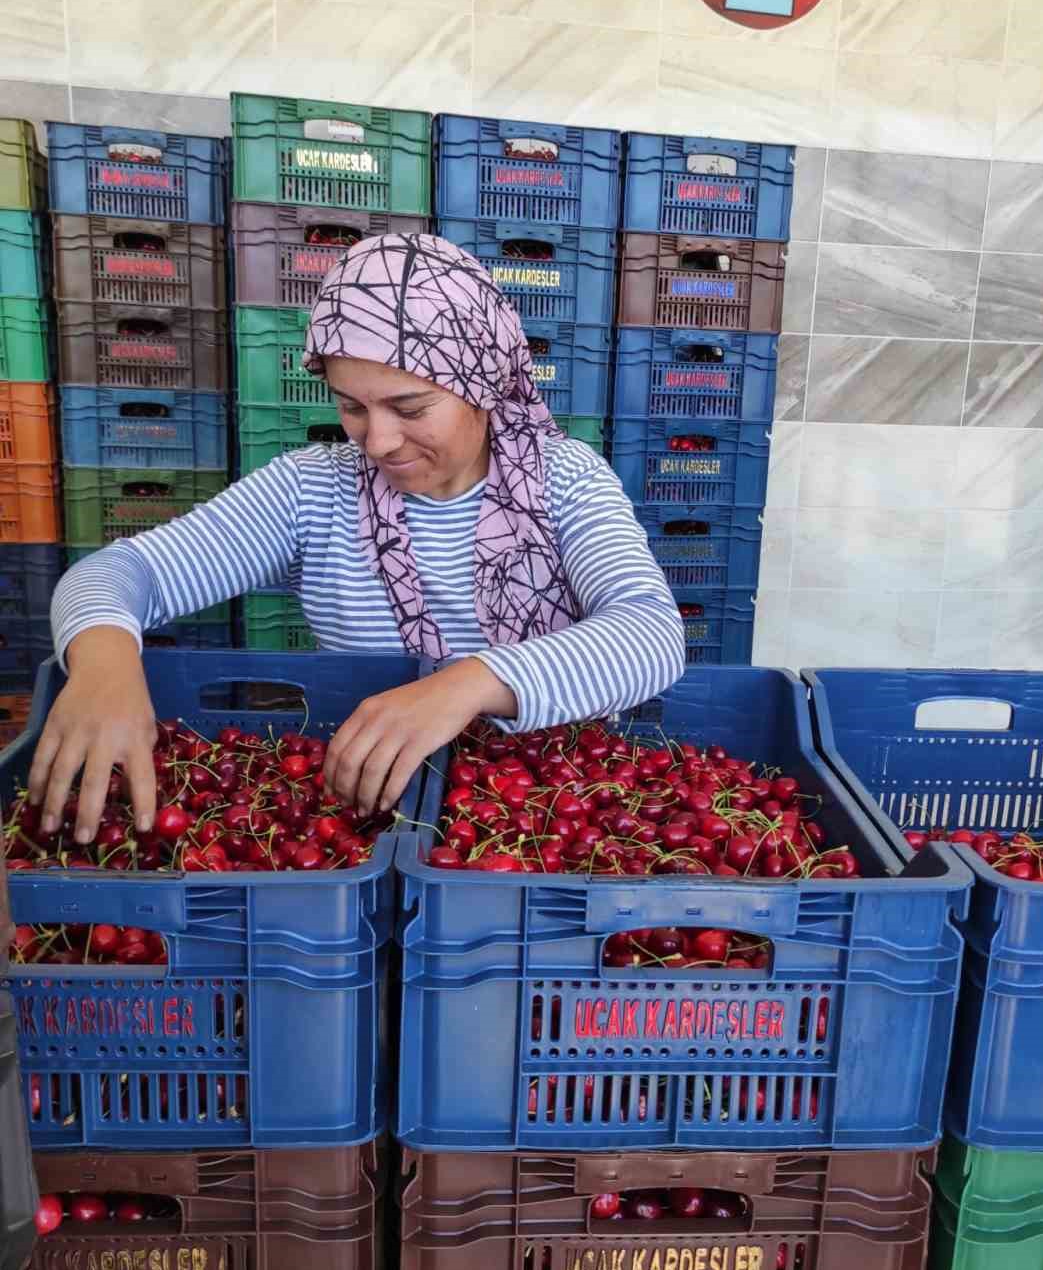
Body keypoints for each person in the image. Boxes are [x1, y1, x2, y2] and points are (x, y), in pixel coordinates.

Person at [37, 232, 686, 844]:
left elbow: (650, 634)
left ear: (481, 386)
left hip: (555, 811)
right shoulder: (312, 493)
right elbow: (122, 572)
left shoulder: (564, 481)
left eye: (409, 408)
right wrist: (103, 665)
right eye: (350, 406)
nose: (377, 442)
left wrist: (463, 686)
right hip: (370, 807)